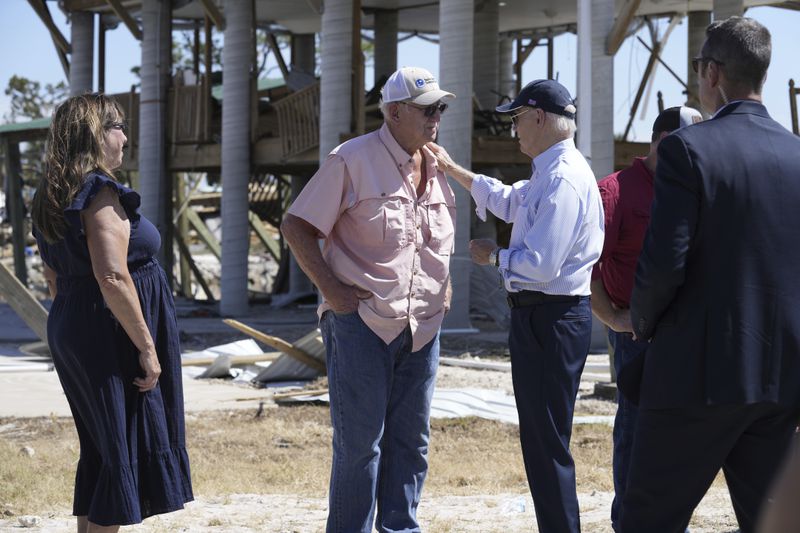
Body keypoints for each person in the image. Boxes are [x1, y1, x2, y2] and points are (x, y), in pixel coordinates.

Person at [622, 16, 800, 532]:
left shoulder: (688, 149)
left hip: (696, 374)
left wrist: (642, 322)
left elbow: (663, 265)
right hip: (780, 376)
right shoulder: (796, 155)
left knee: (649, 519)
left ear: (713, 74)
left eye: (699, 66)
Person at [281, 66, 456, 533]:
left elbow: (433, 240)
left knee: (412, 442)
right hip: (362, 322)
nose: (436, 116)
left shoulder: (438, 163)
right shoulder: (352, 159)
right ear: (395, 112)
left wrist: (446, 288)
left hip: (423, 327)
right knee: (361, 445)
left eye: (440, 107)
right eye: (427, 109)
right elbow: (296, 225)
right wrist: (331, 290)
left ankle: (400, 528)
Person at [427, 79, 604, 533]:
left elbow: (540, 266)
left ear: (540, 117)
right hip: (545, 316)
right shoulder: (552, 170)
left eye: (518, 119)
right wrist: (454, 170)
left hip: (551, 315)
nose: (515, 130)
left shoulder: (563, 178)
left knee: (546, 444)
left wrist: (493, 257)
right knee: (543, 440)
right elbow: (510, 199)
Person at [31, 93, 193, 532]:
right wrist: (147, 347)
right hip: (110, 329)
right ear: (94, 135)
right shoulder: (98, 191)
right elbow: (113, 276)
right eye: (117, 126)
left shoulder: (49, 192)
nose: (125, 136)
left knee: (103, 450)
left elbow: (52, 274)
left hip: (75, 321)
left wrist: (76, 320)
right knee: (120, 449)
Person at [590, 105, 702, 531]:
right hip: (635, 336)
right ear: (660, 141)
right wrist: (615, 318)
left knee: (682, 429)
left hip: (684, 333)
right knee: (637, 427)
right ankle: (630, 521)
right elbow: (589, 269)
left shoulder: (690, 188)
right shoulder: (616, 191)